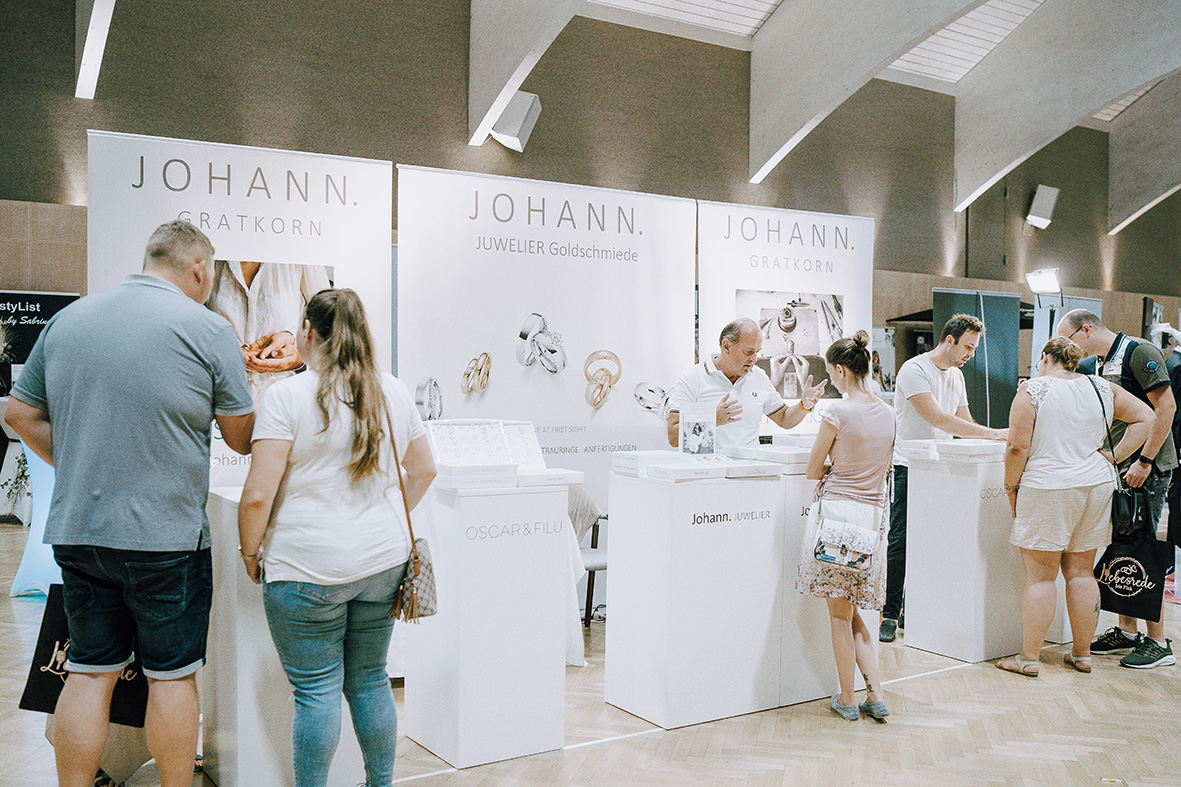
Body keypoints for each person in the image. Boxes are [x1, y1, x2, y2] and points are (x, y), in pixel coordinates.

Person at [3, 220, 255, 787]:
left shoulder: (70, 320)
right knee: (172, 677)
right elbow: (241, 438)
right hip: (167, 538)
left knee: (89, 673)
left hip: (80, 531)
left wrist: (76, 460)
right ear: (199, 269)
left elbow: (18, 414)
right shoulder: (209, 329)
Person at [237, 288, 437, 787]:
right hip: (383, 565)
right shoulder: (392, 390)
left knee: (316, 692)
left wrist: (250, 550)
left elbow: (257, 496)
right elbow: (424, 470)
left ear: (308, 331)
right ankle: (380, 783)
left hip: (307, 568)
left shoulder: (286, 396)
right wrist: (385, 517)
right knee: (370, 680)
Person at [998, 338, 1153, 676]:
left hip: (1047, 486)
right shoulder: (1101, 387)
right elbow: (1146, 416)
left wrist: (1010, 487)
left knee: (1041, 577)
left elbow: (1016, 447)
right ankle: (1082, 654)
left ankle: (1028, 658)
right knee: (1082, 573)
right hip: (1095, 486)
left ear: (1044, 358)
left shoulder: (1032, 390)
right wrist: (1113, 457)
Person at [1059, 308, 1177, 668]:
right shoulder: (1098, 363)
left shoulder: (1138, 352)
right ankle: (1127, 631)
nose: (1067, 347)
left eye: (1068, 339)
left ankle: (1158, 641)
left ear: (1086, 329)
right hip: (1121, 470)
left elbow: (1166, 408)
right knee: (1124, 550)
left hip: (1145, 470)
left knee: (1144, 551)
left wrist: (1145, 460)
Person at [880, 314, 1007, 642]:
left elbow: (964, 422)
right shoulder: (914, 370)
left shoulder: (957, 376)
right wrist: (995, 433)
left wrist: (996, 439)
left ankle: (915, 608)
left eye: (974, 348)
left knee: (933, 539)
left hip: (942, 468)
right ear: (949, 340)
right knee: (901, 540)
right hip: (910, 466)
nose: (971, 354)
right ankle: (889, 612)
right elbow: (939, 418)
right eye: (968, 347)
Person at [796, 331, 895, 721]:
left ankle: (848, 699)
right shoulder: (888, 412)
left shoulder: (837, 413)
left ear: (840, 370)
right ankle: (876, 695)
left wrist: (834, 468)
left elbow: (811, 469)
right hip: (870, 522)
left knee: (839, 615)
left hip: (836, 517)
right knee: (853, 613)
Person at [666, 318, 826, 448]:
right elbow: (673, 436)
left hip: (750, 471)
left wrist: (805, 405)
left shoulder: (759, 376)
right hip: (709, 472)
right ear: (726, 346)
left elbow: (784, 419)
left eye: (757, 352)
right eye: (748, 352)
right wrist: (713, 419)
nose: (754, 359)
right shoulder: (692, 378)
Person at [205, 260, 331, 394]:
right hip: (217, 390)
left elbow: (329, 327)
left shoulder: (302, 254)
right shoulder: (208, 256)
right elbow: (192, 320)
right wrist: (213, 340)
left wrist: (299, 357)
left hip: (283, 394)